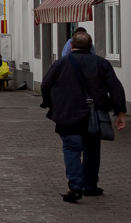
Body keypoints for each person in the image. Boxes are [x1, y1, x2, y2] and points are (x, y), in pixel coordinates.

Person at [40, 31, 126, 203]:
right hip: (93, 115)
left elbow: (45, 85)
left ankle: (75, 187)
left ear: (72, 45)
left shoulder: (61, 63)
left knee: (71, 149)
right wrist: (120, 112)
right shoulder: (101, 63)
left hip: (67, 114)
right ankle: (90, 185)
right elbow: (115, 88)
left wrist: (51, 104)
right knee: (92, 150)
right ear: (91, 46)